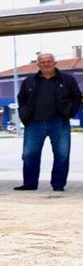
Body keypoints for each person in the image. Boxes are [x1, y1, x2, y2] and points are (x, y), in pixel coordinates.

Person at [13, 52, 82, 192]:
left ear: (55, 63)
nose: (46, 64)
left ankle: (58, 185)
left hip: (59, 123)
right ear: (38, 64)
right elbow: (21, 98)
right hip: (34, 123)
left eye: (49, 61)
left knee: (62, 154)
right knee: (29, 154)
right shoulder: (29, 81)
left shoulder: (67, 80)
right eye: (43, 62)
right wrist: (24, 114)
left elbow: (77, 97)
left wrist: (70, 113)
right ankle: (30, 184)